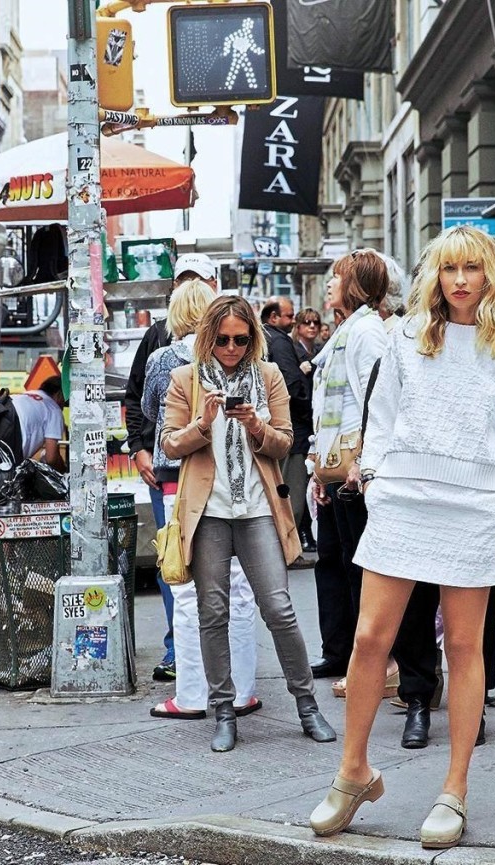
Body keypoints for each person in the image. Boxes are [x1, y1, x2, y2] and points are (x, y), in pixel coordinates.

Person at [309, 226, 495, 848]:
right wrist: (382, 478)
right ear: (434, 276)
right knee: (368, 640)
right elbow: (379, 417)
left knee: (465, 648)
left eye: (472, 268)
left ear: (490, 273)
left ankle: (455, 788)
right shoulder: (407, 337)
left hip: (474, 508)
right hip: (405, 502)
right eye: (450, 270)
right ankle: (353, 772)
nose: (461, 280)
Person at [161, 295, 335, 752]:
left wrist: (256, 425)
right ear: (208, 338)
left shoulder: (270, 375)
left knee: (279, 609)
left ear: (253, 338)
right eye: (222, 340)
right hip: (209, 515)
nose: (232, 348)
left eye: (241, 339)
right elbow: (170, 445)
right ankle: (224, 711)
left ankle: (307, 705)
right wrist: (204, 423)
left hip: (258, 510)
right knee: (212, 613)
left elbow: (285, 444)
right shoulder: (186, 380)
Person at [142, 279, 262, 721]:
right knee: (241, 589)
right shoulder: (253, 366)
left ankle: (194, 692)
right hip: (237, 483)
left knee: (189, 589)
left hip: (183, 479)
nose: (231, 345)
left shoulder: (167, 363)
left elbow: (156, 420)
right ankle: (242, 690)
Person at [125, 252, 220, 682]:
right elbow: (137, 402)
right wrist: (139, 448)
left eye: (194, 282)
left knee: (211, 564)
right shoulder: (156, 343)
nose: (187, 290)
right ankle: (180, 651)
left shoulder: (229, 344)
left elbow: (146, 403)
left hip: (198, 469)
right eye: (182, 282)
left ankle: (202, 657)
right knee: (176, 562)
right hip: (169, 468)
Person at [305, 251, 392, 690]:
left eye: (336, 278)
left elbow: (375, 402)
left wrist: (359, 462)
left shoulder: (367, 333)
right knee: (333, 561)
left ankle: (366, 661)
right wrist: (318, 468)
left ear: (355, 283)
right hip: (335, 469)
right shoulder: (344, 332)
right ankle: (338, 652)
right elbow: (328, 408)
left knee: (359, 567)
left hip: (357, 471)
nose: (329, 285)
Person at [260, 297, 312, 567]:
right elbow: (291, 383)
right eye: (289, 316)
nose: (293, 321)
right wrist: (307, 409)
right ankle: (287, 552)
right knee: (291, 495)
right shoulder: (278, 341)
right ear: (273, 317)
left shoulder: (268, 339)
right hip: (292, 430)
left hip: (280, 428)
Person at [293, 308, 321, 551]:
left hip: (316, 423)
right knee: (300, 483)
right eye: (307, 323)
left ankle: (307, 532)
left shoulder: (320, 350)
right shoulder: (295, 350)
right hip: (302, 426)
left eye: (315, 323)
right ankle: (302, 532)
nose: (311, 326)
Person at [11, 375, 66, 470]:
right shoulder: (53, 409)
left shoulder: (25, 395)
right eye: (65, 401)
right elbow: (51, 459)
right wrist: (63, 471)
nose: (63, 407)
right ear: (59, 394)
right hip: (12, 448)